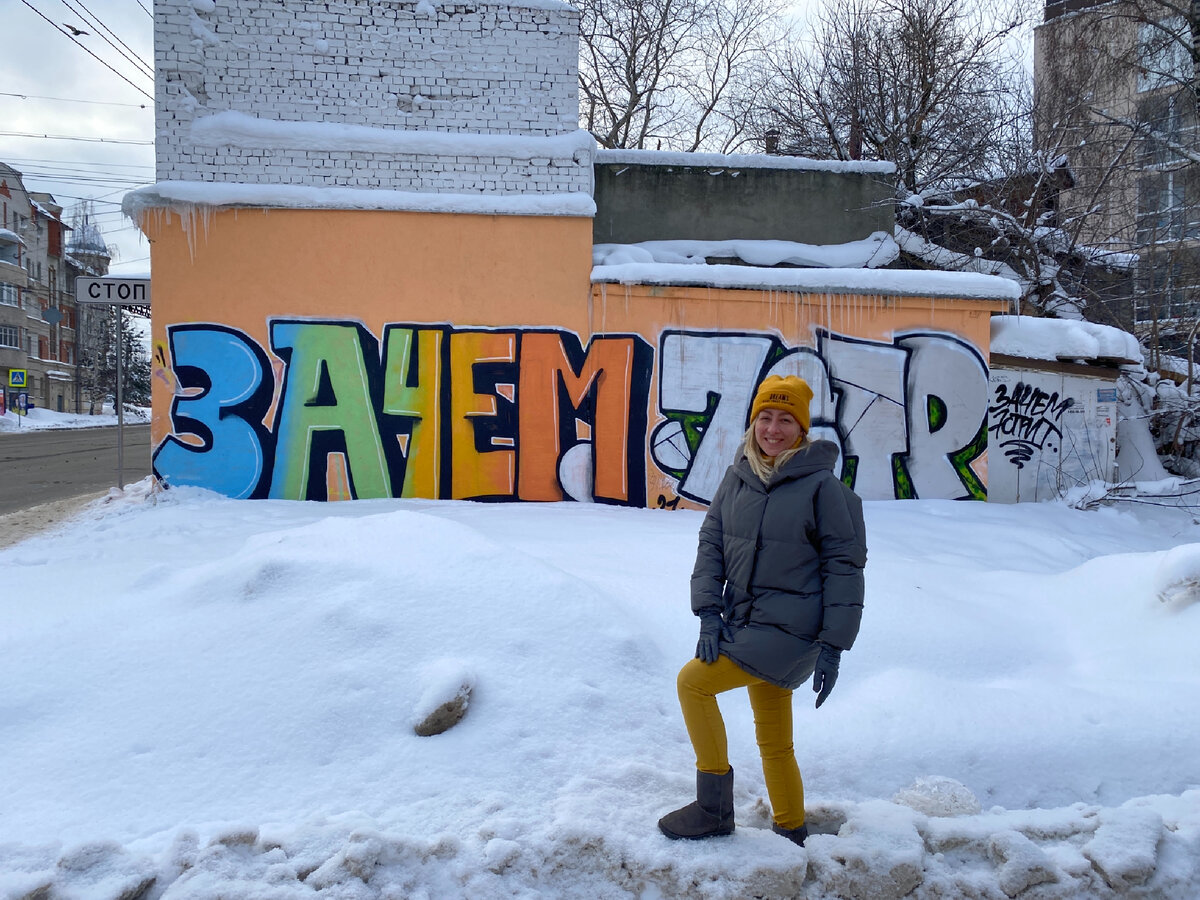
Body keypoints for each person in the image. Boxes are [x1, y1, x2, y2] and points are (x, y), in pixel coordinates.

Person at [658, 374, 867, 846]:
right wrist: (709, 613)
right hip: (747, 624)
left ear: (802, 429)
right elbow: (711, 545)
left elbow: (846, 569)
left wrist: (834, 644)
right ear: (753, 424)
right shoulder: (737, 480)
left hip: (792, 631)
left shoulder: (823, 490)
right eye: (765, 418)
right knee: (774, 738)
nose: (773, 428)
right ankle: (792, 827)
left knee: (693, 683)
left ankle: (712, 808)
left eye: (786, 419)